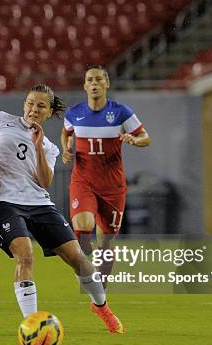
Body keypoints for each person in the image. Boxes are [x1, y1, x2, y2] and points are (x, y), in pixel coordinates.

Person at [0, 84, 124, 334]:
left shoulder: (50, 147)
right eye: (30, 103)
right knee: (26, 255)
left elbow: (44, 181)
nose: (33, 109)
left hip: (39, 203)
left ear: (49, 112)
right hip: (5, 202)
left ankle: (101, 307)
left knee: (79, 260)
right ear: (24, 105)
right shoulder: (0, 120)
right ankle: (32, 326)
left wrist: (38, 146)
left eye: (40, 106)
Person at [61, 65, 150, 281]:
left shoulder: (121, 113)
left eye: (99, 79)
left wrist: (134, 140)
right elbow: (66, 134)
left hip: (112, 186)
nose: (94, 83)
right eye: (90, 79)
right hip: (83, 181)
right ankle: (85, 268)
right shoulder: (74, 113)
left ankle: (100, 290)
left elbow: (146, 138)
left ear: (106, 84)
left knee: (106, 241)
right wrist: (66, 149)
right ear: (84, 85)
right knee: (83, 229)